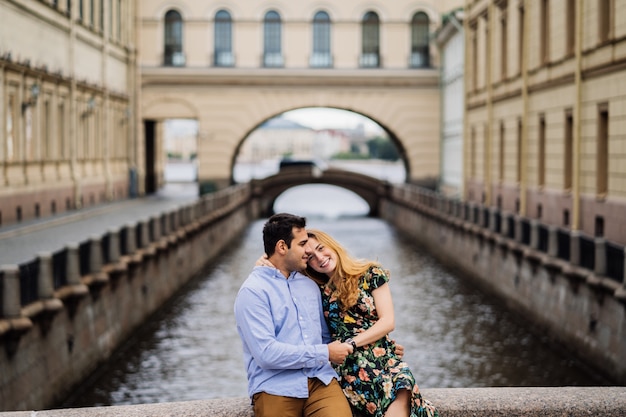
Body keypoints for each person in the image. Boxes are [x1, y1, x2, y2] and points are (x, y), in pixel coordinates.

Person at [302, 229, 439, 417]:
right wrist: (265, 262)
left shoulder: (370, 273)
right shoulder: (316, 289)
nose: (319, 257)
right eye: (310, 257)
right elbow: (283, 263)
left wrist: (353, 343)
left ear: (331, 245)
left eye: (320, 248)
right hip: (350, 363)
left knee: (403, 384)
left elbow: (388, 321)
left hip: (382, 355)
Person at [233, 213, 353, 417]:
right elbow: (266, 354)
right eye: (303, 243)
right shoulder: (253, 292)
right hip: (276, 386)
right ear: (282, 247)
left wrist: (380, 345)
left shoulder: (309, 284)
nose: (309, 251)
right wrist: (323, 353)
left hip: (320, 381)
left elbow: (326, 336)